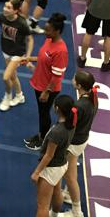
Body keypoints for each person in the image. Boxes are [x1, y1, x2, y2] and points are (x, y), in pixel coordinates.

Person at [14, 93, 75, 217]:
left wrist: (36, 172)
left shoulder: (57, 132)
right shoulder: (71, 124)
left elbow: (48, 155)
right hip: (62, 164)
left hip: (51, 168)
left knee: (42, 205)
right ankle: (54, 216)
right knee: (57, 191)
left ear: (57, 109)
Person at [56, 71, 98, 217]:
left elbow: (70, 125)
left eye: (74, 79)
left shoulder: (80, 106)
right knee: (70, 173)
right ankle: (68, 194)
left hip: (75, 142)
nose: (72, 79)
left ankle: (77, 211)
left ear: (79, 85)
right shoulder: (92, 98)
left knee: (70, 177)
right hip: (82, 138)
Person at [23, 13, 69, 151]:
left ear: (57, 31)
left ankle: (43, 139)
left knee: (44, 113)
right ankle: (41, 134)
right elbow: (43, 57)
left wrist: (46, 92)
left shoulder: (61, 51)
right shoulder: (49, 40)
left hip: (48, 88)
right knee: (41, 112)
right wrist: (30, 59)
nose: (45, 32)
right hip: (39, 83)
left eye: (48, 30)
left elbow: (57, 75)